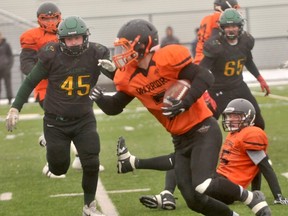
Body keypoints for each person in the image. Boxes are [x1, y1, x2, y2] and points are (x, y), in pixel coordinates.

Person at [89, 18, 271, 216]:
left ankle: (251, 198)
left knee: (203, 184)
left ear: (143, 45)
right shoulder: (128, 76)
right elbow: (115, 107)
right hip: (179, 139)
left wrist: (185, 102)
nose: (121, 54)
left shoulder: (167, 57)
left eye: (126, 47)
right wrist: (100, 98)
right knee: (194, 201)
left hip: (203, 128)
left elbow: (205, 77)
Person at [6, 15, 115, 215]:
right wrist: (15, 107)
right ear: (61, 40)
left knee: (91, 162)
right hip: (55, 122)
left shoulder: (97, 53)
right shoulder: (51, 54)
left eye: (77, 38)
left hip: (84, 118)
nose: (73, 43)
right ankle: (48, 142)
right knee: (58, 169)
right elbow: (30, 81)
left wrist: (116, 72)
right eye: (69, 39)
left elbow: (122, 80)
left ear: (85, 37)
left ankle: (89, 206)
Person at [117, 99, 288, 208]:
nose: (230, 120)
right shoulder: (236, 134)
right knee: (182, 157)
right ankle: (166, 194)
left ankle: (138, 167)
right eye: (229, 116)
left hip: (225, 187)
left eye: (236, 116)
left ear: (248, 117)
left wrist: (277, 196)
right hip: (219, 179)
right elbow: (254, 168)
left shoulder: (252, 134)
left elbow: (263, 167)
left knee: (181, 158)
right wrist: (255, 193)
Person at [19, 2, 93, 177]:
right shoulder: (31, 36)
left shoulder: (69, 30)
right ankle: (55, 158)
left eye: (54, 17)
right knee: (63, 119)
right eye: (47, 18)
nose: (51, 21)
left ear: (59, 17)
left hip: (72, 85)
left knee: (80, 118)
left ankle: (76, 155)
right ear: (39, 20)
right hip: (47, 88)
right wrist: (44, 73)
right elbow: (26, 63)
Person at [0, 32, 14, 104]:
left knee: (8, 85)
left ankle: (9, 99)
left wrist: (9, 66)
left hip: (6, 69)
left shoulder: (6, 45)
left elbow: (11, 56)